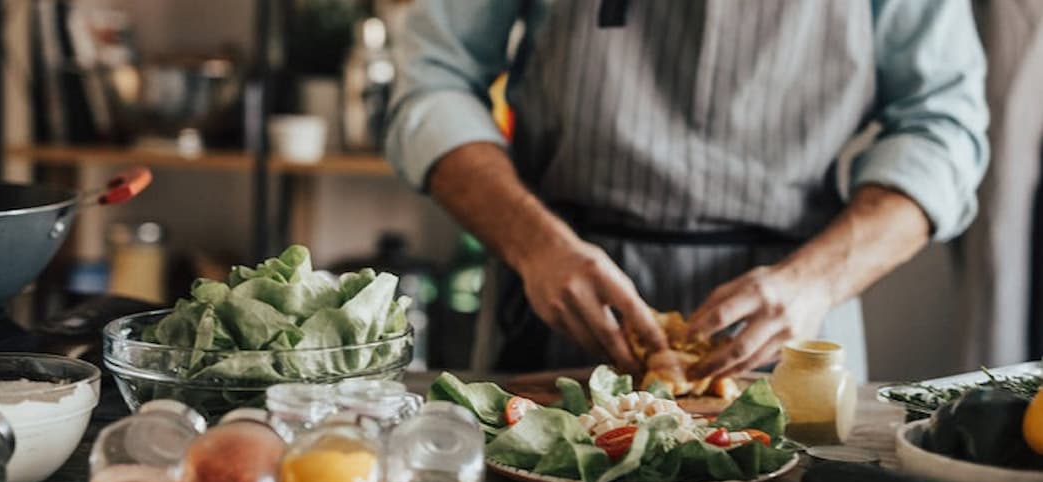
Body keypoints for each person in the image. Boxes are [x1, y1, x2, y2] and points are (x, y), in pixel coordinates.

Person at [385, 0, 989, 383]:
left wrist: (816, 281)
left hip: (796, 328)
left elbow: (945, 130)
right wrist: (533, 243)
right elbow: (433, 80)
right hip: (555, 322)